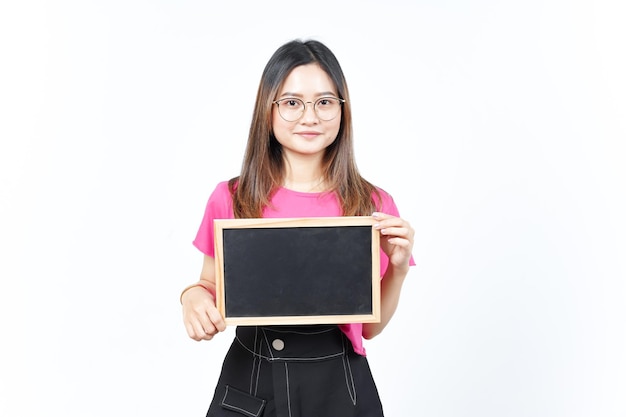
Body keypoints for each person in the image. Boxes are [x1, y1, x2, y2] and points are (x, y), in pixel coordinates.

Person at [180, 38, 415, 417]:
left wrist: (399, 268)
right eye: (292, 103)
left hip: (339, 387)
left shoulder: (371, 206)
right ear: (268, 111)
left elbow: (369, 328)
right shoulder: (232, 197)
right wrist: (192, 298)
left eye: (325, 102)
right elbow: (208, 284)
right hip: (251, 381)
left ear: (343, 110)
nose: (310, 117)